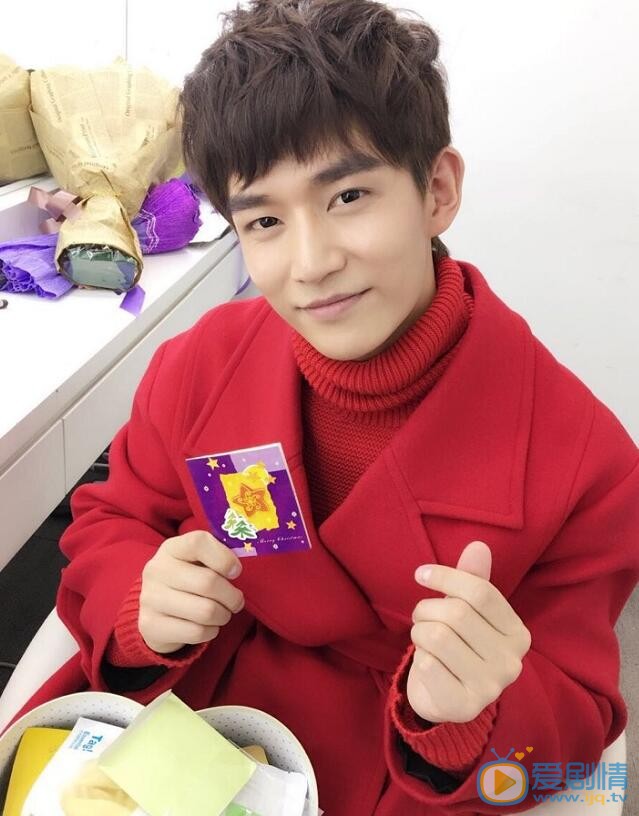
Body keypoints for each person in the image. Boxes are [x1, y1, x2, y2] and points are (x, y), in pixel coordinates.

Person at [11, 1, 639, 813]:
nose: (310, 262)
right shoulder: (198, 364)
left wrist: (471, 712)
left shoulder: (588, 463)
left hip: (395, 773)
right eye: (265, 219)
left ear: (436, 190)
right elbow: (114, 520)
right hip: (186, 719)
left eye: (347, 196)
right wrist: (140, 602)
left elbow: (574, 714)